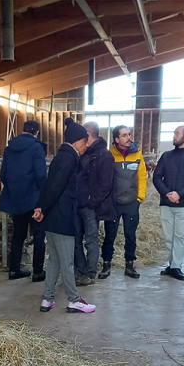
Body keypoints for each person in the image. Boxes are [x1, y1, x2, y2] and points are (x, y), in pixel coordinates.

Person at [34, 118, 95, 314]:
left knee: (54, 260)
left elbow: (48, 185)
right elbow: (56, 186)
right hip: (62, 217)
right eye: (85, 141)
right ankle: (74, 300)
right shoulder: (69, 158)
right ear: (76, 140)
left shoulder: (61, 156)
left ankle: (47, 299)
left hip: (53, 218)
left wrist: (42, 208)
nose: (86, 145)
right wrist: (42, 208)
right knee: (67, 262)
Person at [153, 125, 184, 281]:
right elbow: (156, 177)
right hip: (166, 202)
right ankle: (171, 264)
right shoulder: (166, 156)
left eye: (177, 133)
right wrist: (168, 193)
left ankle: (176, 267)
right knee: (169, 237)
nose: (174, 136)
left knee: (180, 236)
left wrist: (179, 194)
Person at [0, 120, 48, 282]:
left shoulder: (9, 149)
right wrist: (42, 195)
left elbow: (3, 175)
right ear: (37, 132)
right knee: (39, 235)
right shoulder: (37, 147)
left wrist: (15, 190)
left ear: (23, 130)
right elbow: (41, 175)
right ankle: (38, 272)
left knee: (18, 235)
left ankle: (14, 269)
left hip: (16, 199)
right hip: (34, 200)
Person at [99, 125, 147, 279]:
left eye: (129, 134)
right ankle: (106, 265)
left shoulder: (137, 155)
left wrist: (139, 198)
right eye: (124, 135)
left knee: (130, 235)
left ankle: (130, 265)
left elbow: (142, 177)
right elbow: (104, 179)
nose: (128, 138)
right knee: (110, 235)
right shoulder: (109, 156)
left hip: (131, 203)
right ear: (117, 139)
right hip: (114, 204)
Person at [74, 121, 114, 286]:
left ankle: (90, 273)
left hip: (90, 206)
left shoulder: (104, 155)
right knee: (76, 239)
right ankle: (79, 270)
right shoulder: (81, 153)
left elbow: (106, 184)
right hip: (77, 204)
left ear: (87, 134)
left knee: (91, 238)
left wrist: (92, 202)